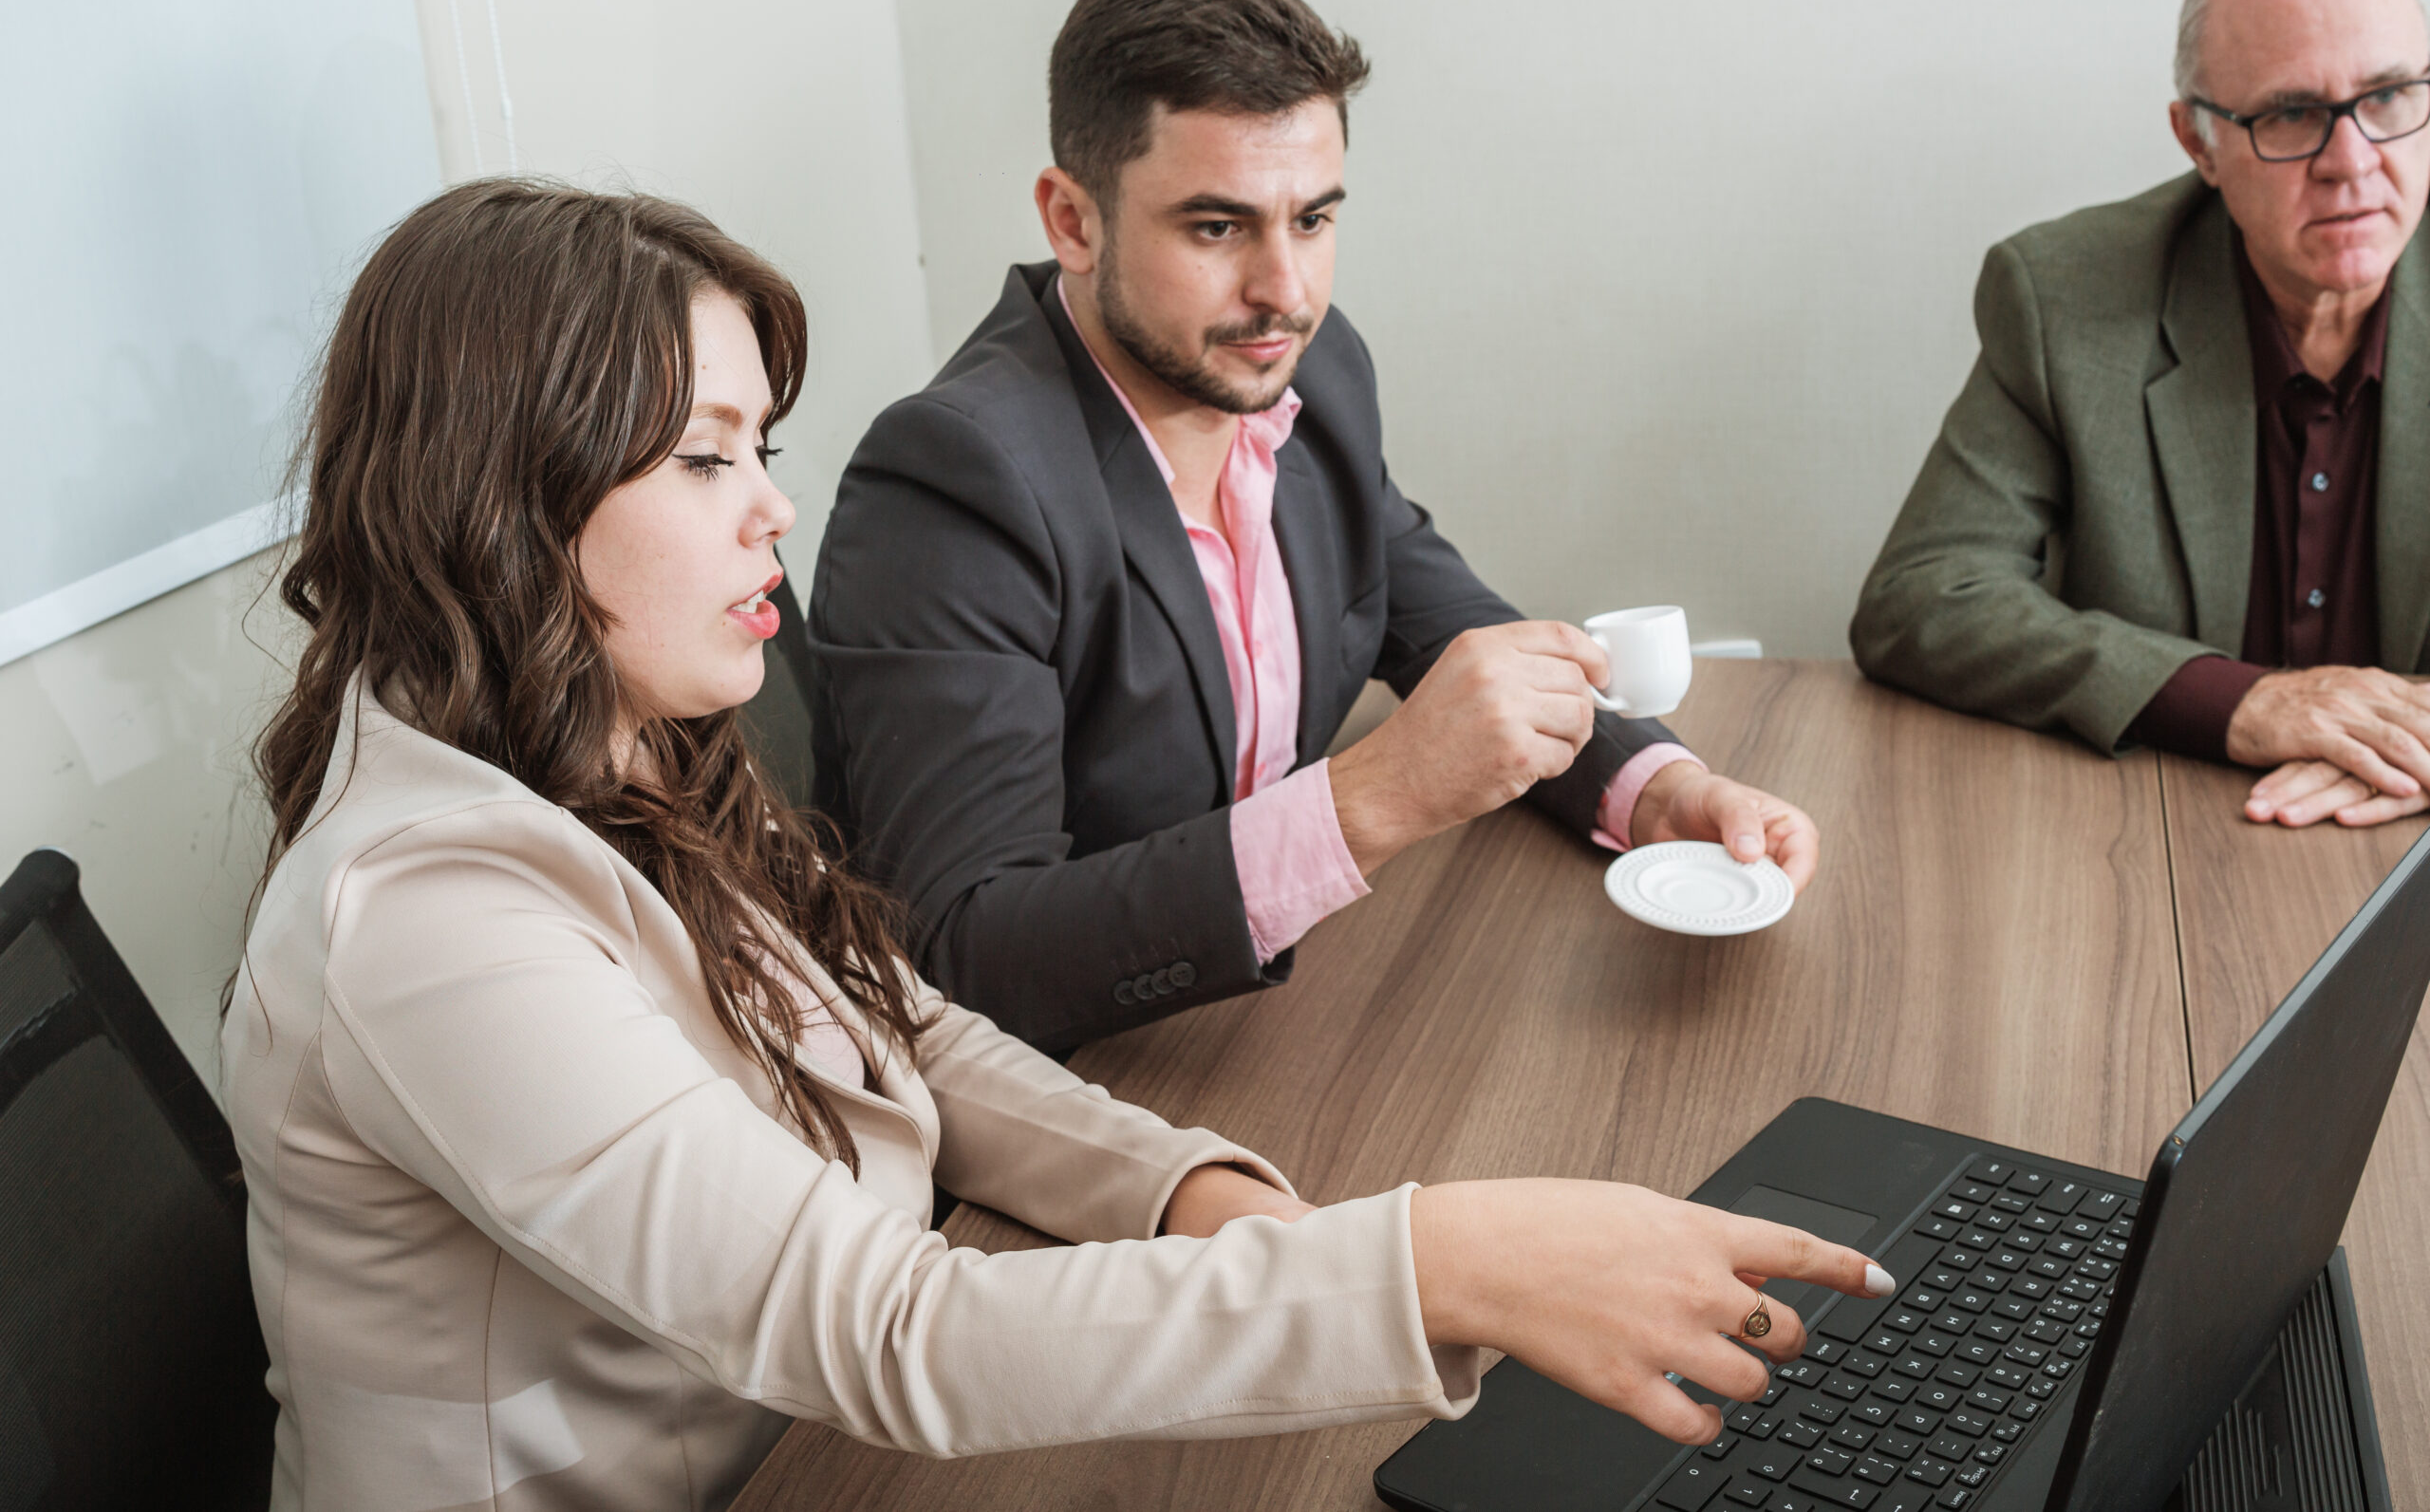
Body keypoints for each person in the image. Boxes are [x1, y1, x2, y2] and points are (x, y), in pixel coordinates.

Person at [220, 179, 1890, 1509]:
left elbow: (908, 1030)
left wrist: (1210, 1199)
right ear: (504, 503)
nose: (771, 507)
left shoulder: (613, 746)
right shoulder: (426, 917)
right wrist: (1439, 1259)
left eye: (763, 450)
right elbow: (882, 1327)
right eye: (705, 457)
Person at [807, 0, 1819, 1053]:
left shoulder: (1309, 370)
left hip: (1289, 1023)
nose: (1284, 291)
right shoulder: (952, 484)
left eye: (1313, 219)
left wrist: (1653, 788)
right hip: (1095, 1089)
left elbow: (1428, 614)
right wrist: (1371, 799)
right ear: (1073, 221)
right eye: (1215, 227)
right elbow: (964, 952)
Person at [1853, 0, 2430, 831]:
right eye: (2290, 114)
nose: (2353, 161)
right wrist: (2242, 703)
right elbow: (1925, 597)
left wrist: (2404, 746)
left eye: (2390, 95)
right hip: (2146, 839)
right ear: (2198, 143)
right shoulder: (2067, 299)